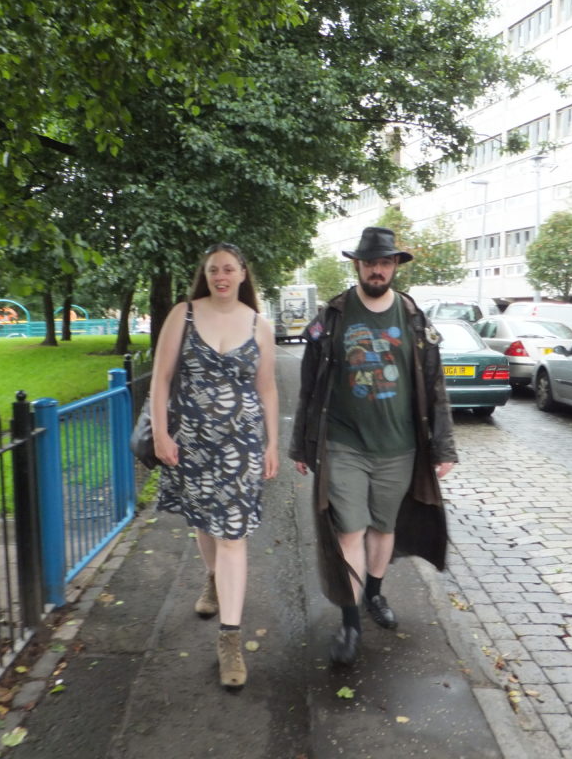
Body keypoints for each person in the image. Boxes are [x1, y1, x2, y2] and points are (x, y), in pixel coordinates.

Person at [289, 226, 458, 666]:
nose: (377, 270)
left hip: (399, 446)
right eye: (370, 263)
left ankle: (375, 594)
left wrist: (443, 448)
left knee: (384, 528)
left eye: (384, 263)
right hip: (344, 443)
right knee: (349, 529)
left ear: (395, 266)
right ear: (358, 265)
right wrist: (301, 446)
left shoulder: (413, 317)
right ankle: (350, 620)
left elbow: (435, 386)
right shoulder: (334, 315)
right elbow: (309, 387)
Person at [150, 242, 279, 690]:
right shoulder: (182, 315)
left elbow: (267, 390)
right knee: (206, 524)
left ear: (243, 274)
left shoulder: (260, 325)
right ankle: (211, 579)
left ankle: (230, 639)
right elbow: (161, 378)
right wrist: (163, 434)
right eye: (212, 270)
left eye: (228, 269)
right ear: (205, 275)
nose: (220, 276)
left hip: (241, 445)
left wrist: (272, 444)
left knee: (233, 535)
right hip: (192, 443)